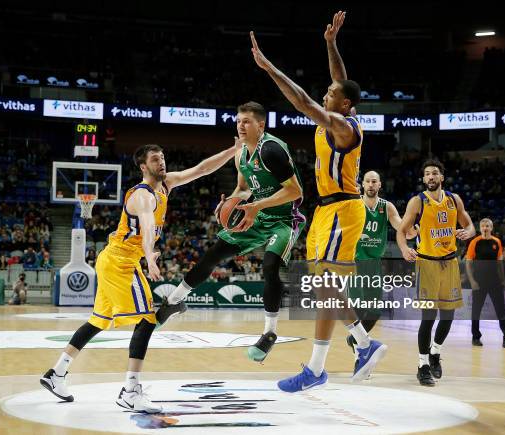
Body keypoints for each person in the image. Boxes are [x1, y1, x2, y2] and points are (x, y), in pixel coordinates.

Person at [40, 141, 240, 413]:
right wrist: (149, 255)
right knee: (146, 320)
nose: (162, 162)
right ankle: (131, 391)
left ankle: (56, 373)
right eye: (156, 159)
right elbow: (147, 226)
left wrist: (233, 150)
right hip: (122, 263)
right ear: (144, 166)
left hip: (114, 260)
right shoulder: (142, 195)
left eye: (163, 157)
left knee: (97, 321)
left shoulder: (167, 184)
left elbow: (202, 169)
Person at [249, 10, 387, 392]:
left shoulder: (342, 127)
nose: (326, 93)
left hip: (344, 208)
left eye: (331, 95)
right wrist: (331, 44)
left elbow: (306, 103)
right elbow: (338, 81)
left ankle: (333, 359)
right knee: (325, 287)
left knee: (327, 285)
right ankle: (348, 351)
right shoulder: (345, 110)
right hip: (327, 210)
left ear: (343, 106)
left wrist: (270, 69)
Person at [155, 101, 305, 364]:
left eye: (246, 121)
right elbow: (243, 189)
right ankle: (175, 301)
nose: (240, 125)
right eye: (238, 121)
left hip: (283, 219)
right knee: (214, 253)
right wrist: (229, 203)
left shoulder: (271, 150)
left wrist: (255, 205)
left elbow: (295, 191)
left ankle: (269, 333)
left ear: (261, 125)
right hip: (255, 214)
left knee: (270, 265)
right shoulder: (241, 154)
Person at [397, 159, 475, 386]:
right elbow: (401, 232)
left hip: (450, 262)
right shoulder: (417, 202)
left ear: (442, 177)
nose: (431, 177)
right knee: (428, 317)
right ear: (424, 179)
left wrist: (468, 232)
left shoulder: (454, 199)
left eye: (435, 173)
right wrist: (404, 249)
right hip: (427, 262)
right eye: (427, 174)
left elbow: (469, 225)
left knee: (448, 316)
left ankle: (435, 353)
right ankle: (422, 366)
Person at [345, 171, 417, 368]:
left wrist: (410, 230)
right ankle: (359, 354)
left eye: (374, 181)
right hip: (355, 263)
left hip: (375, 263)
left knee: (375, 311)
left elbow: (400, 227)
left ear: (379, 185)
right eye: (367, 181)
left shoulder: (387, 206)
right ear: (362, 185)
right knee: (359, 309)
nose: (370, 184)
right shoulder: (354, 204)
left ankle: (355, 340)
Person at [466, 218, 505, 347]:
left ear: (491, 228)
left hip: (495, 281)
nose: (485, 228)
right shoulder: (474, 242)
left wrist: (502, 279)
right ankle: (476, 337)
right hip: (479, 281)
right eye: (483, 226)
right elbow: (468, 264)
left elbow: (499, 263)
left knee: (501, 309)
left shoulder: (497, 242)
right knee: (476, 310)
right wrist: (472, 281)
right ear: (480, 228)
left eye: (487, 226)